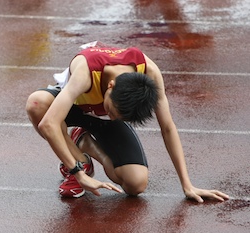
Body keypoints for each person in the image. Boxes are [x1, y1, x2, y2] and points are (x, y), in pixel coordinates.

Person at [25, 41, 229, 203]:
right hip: (76, 107)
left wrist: (187, 185)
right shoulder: (87, 72)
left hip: (101, 119)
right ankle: (81, 159)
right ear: (110, 86)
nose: (113, 116)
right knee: (36, 104)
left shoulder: (149, 72)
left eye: (120, 116)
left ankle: (87, 143)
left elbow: (167, 128)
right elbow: (48, 124)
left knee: (135, 185)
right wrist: (78, 173)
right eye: (112, 111)